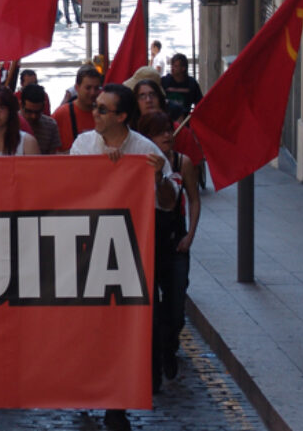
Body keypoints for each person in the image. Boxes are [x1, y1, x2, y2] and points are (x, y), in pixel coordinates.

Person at [68, 84, 178, 429]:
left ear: (121, 117)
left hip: (131, 253)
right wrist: (104, 170)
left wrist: (157, 174)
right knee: (90, 328)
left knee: (124, 329)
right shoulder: (83, 144)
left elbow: (169, 201)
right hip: (87, 249)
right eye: (95, 107)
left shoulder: (144, 150)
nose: (94, 113)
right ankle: (89, 387)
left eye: (103, 110)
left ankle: (117, 402)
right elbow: (69, 190)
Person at [137, 110, 200, 380]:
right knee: (150, 309)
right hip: (147, 245)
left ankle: (169, 346)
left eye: (169, 130)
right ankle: (155, 359)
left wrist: (190, 235)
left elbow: (193, 199)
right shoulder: (136, 163)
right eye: (160, 132)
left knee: (175, 307)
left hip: (174, 244)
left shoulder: (181, 162)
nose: (167, 136)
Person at [52, 64, 102, 153]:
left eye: (96, 88)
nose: (93, 93)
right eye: (88, 88)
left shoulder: (107, 114)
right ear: (77, 88)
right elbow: (50, 152)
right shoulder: (61, 114)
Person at [20, 83, 61, 154]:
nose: (34, 116)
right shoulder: (9, 122)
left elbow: (52, 157)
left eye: (38, 112)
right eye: (29, 111)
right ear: (21, 105)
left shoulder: (51, 126)